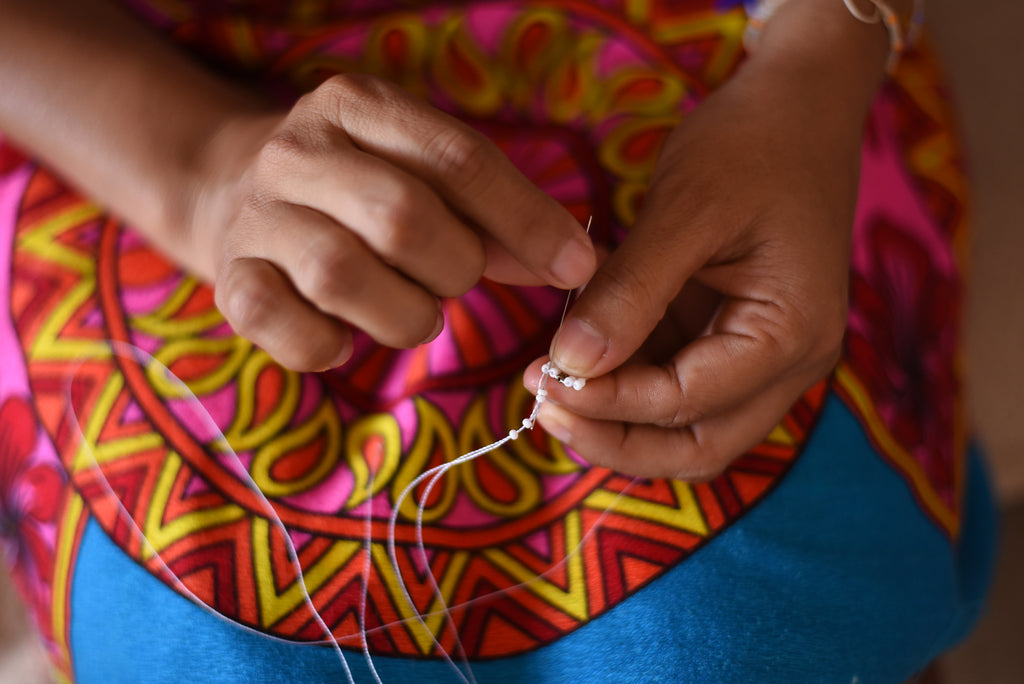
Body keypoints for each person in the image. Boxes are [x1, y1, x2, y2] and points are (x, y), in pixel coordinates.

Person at [0, 0, 996, 681]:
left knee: (749, 628)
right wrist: (201, 171)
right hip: (131, 96)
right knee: (203, 639)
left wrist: (816, 66)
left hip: (755, 63)